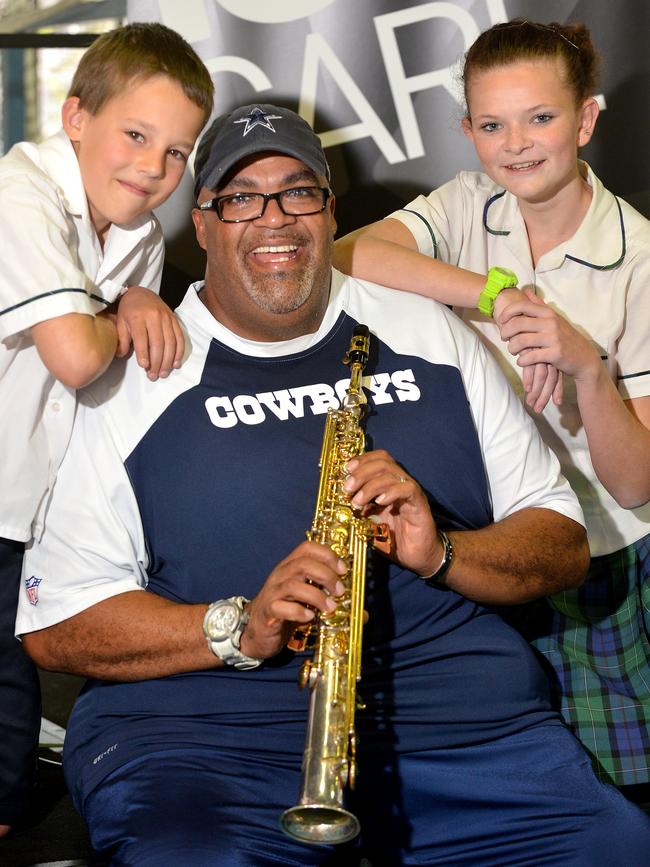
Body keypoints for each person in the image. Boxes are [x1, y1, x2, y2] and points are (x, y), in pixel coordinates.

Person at [16, 103, 650, 866]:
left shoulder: (432, 334)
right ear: (205, 224)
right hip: (203, 749)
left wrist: (446, 550)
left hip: (468, 739)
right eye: (240, 197)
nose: (274, 218)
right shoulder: (133, 372)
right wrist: (235, 626)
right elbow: (59, 625)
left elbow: (562, 542)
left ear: (329, 209)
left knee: (616, 846)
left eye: (298, 191)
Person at [333, 18, 650, 801]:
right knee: (509, 772)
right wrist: (492, 293)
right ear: (466, 129)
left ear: (585, 118)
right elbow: (348, 255)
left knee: (616, 785)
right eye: (492, 123)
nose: (517, 143)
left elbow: (637, 483)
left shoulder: (638, 258)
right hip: (488, 539)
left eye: (540, 118)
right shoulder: (471, 203)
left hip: (600, 559)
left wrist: (586, 364)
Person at [0, 22, 214, 836]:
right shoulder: (22, 195)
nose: (152, 168)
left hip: (28, 504)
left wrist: (132, 298)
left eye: (175, 152)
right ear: (75, 116)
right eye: (135, 134)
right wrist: (126, 306)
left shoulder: (141, 237)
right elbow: (80, 358)